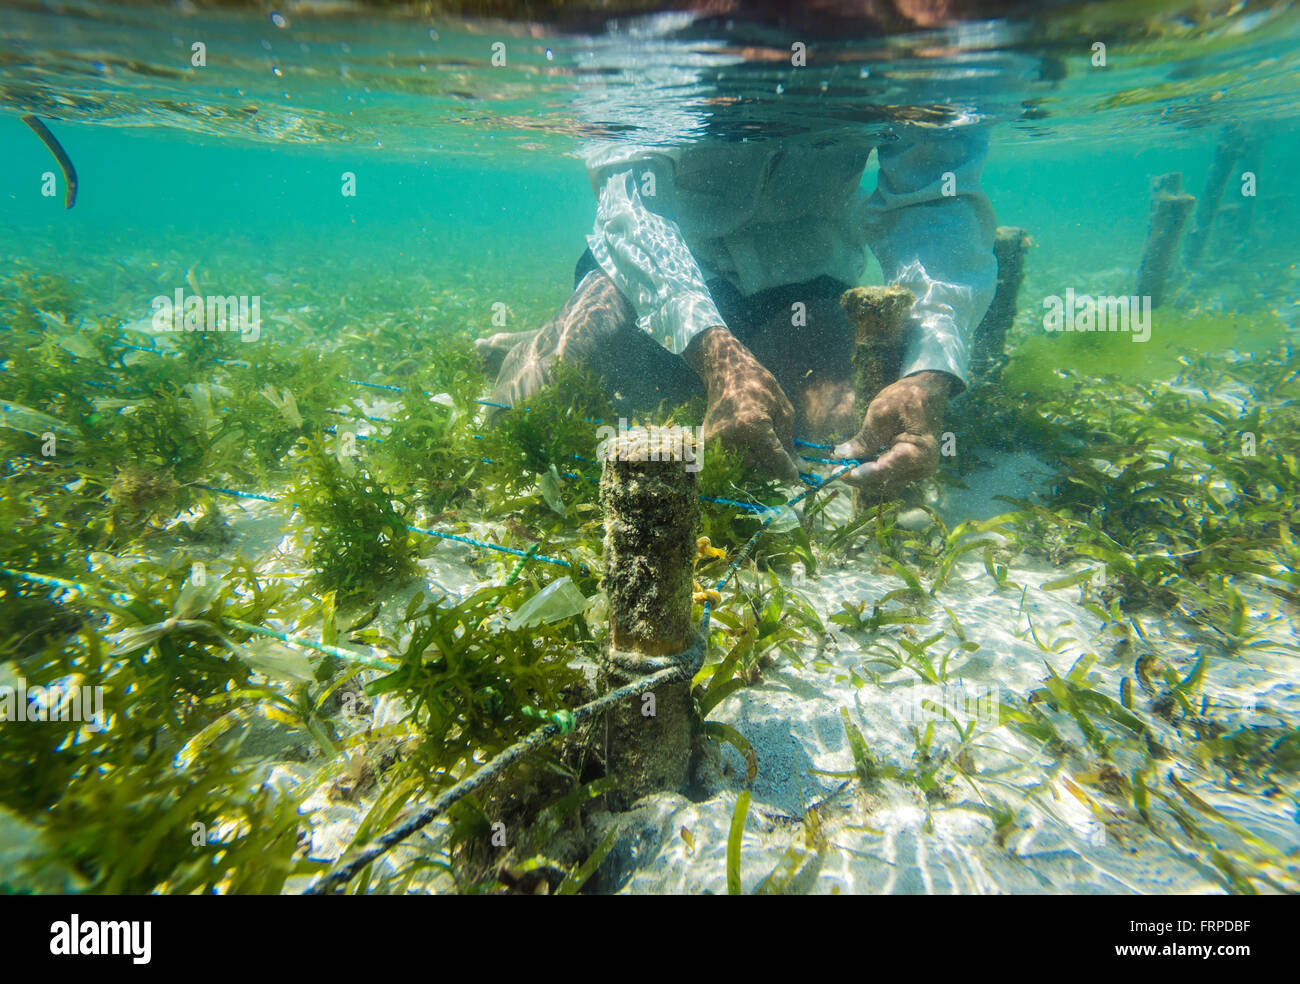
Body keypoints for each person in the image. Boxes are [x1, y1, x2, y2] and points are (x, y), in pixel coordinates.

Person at [479, 110, 998, 502]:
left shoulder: (911, 36)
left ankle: (692, 368)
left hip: (800, 277)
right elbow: (634, 212)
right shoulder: (648, 32)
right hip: (657, 266)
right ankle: (538, 339)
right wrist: (715, 356)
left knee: (847, 424)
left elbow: (935, 203)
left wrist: (928, 373)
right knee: (516, 411)